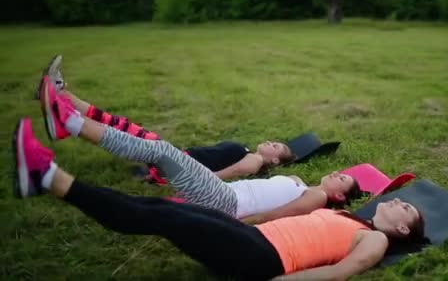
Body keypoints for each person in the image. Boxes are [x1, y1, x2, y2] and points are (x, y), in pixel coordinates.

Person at [12, 117, 425, 280]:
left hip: (262, 258)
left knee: (162, 219)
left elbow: (339, 273)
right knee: (158, 210)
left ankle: (48, 176)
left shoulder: (377, 239)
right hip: (253, 237)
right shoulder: (355, 221)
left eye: (405, 206)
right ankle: (45, 177)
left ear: (403, 227)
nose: (397, 202)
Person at [37, 75, 361, 223]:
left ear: (340, 197)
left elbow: (279, 215)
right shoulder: (305, 186)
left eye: (343, 180)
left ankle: (70, 122)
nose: (337, 174)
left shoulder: (317, 197)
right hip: (222, 194)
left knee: (159, 150)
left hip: (225, 202)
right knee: (157, 149)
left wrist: (244, 226)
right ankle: (70, 120)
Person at [36, 55, 296, 182]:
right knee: (118, 126)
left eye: (277, 146)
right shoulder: (249, 151)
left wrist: (185, 179)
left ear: (274, 159)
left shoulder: (254, 160)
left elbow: (234, 172)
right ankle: (59, 94)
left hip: (173, 161)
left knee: (118, 130)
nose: (272, 141)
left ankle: (63, 113)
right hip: (172, 157)